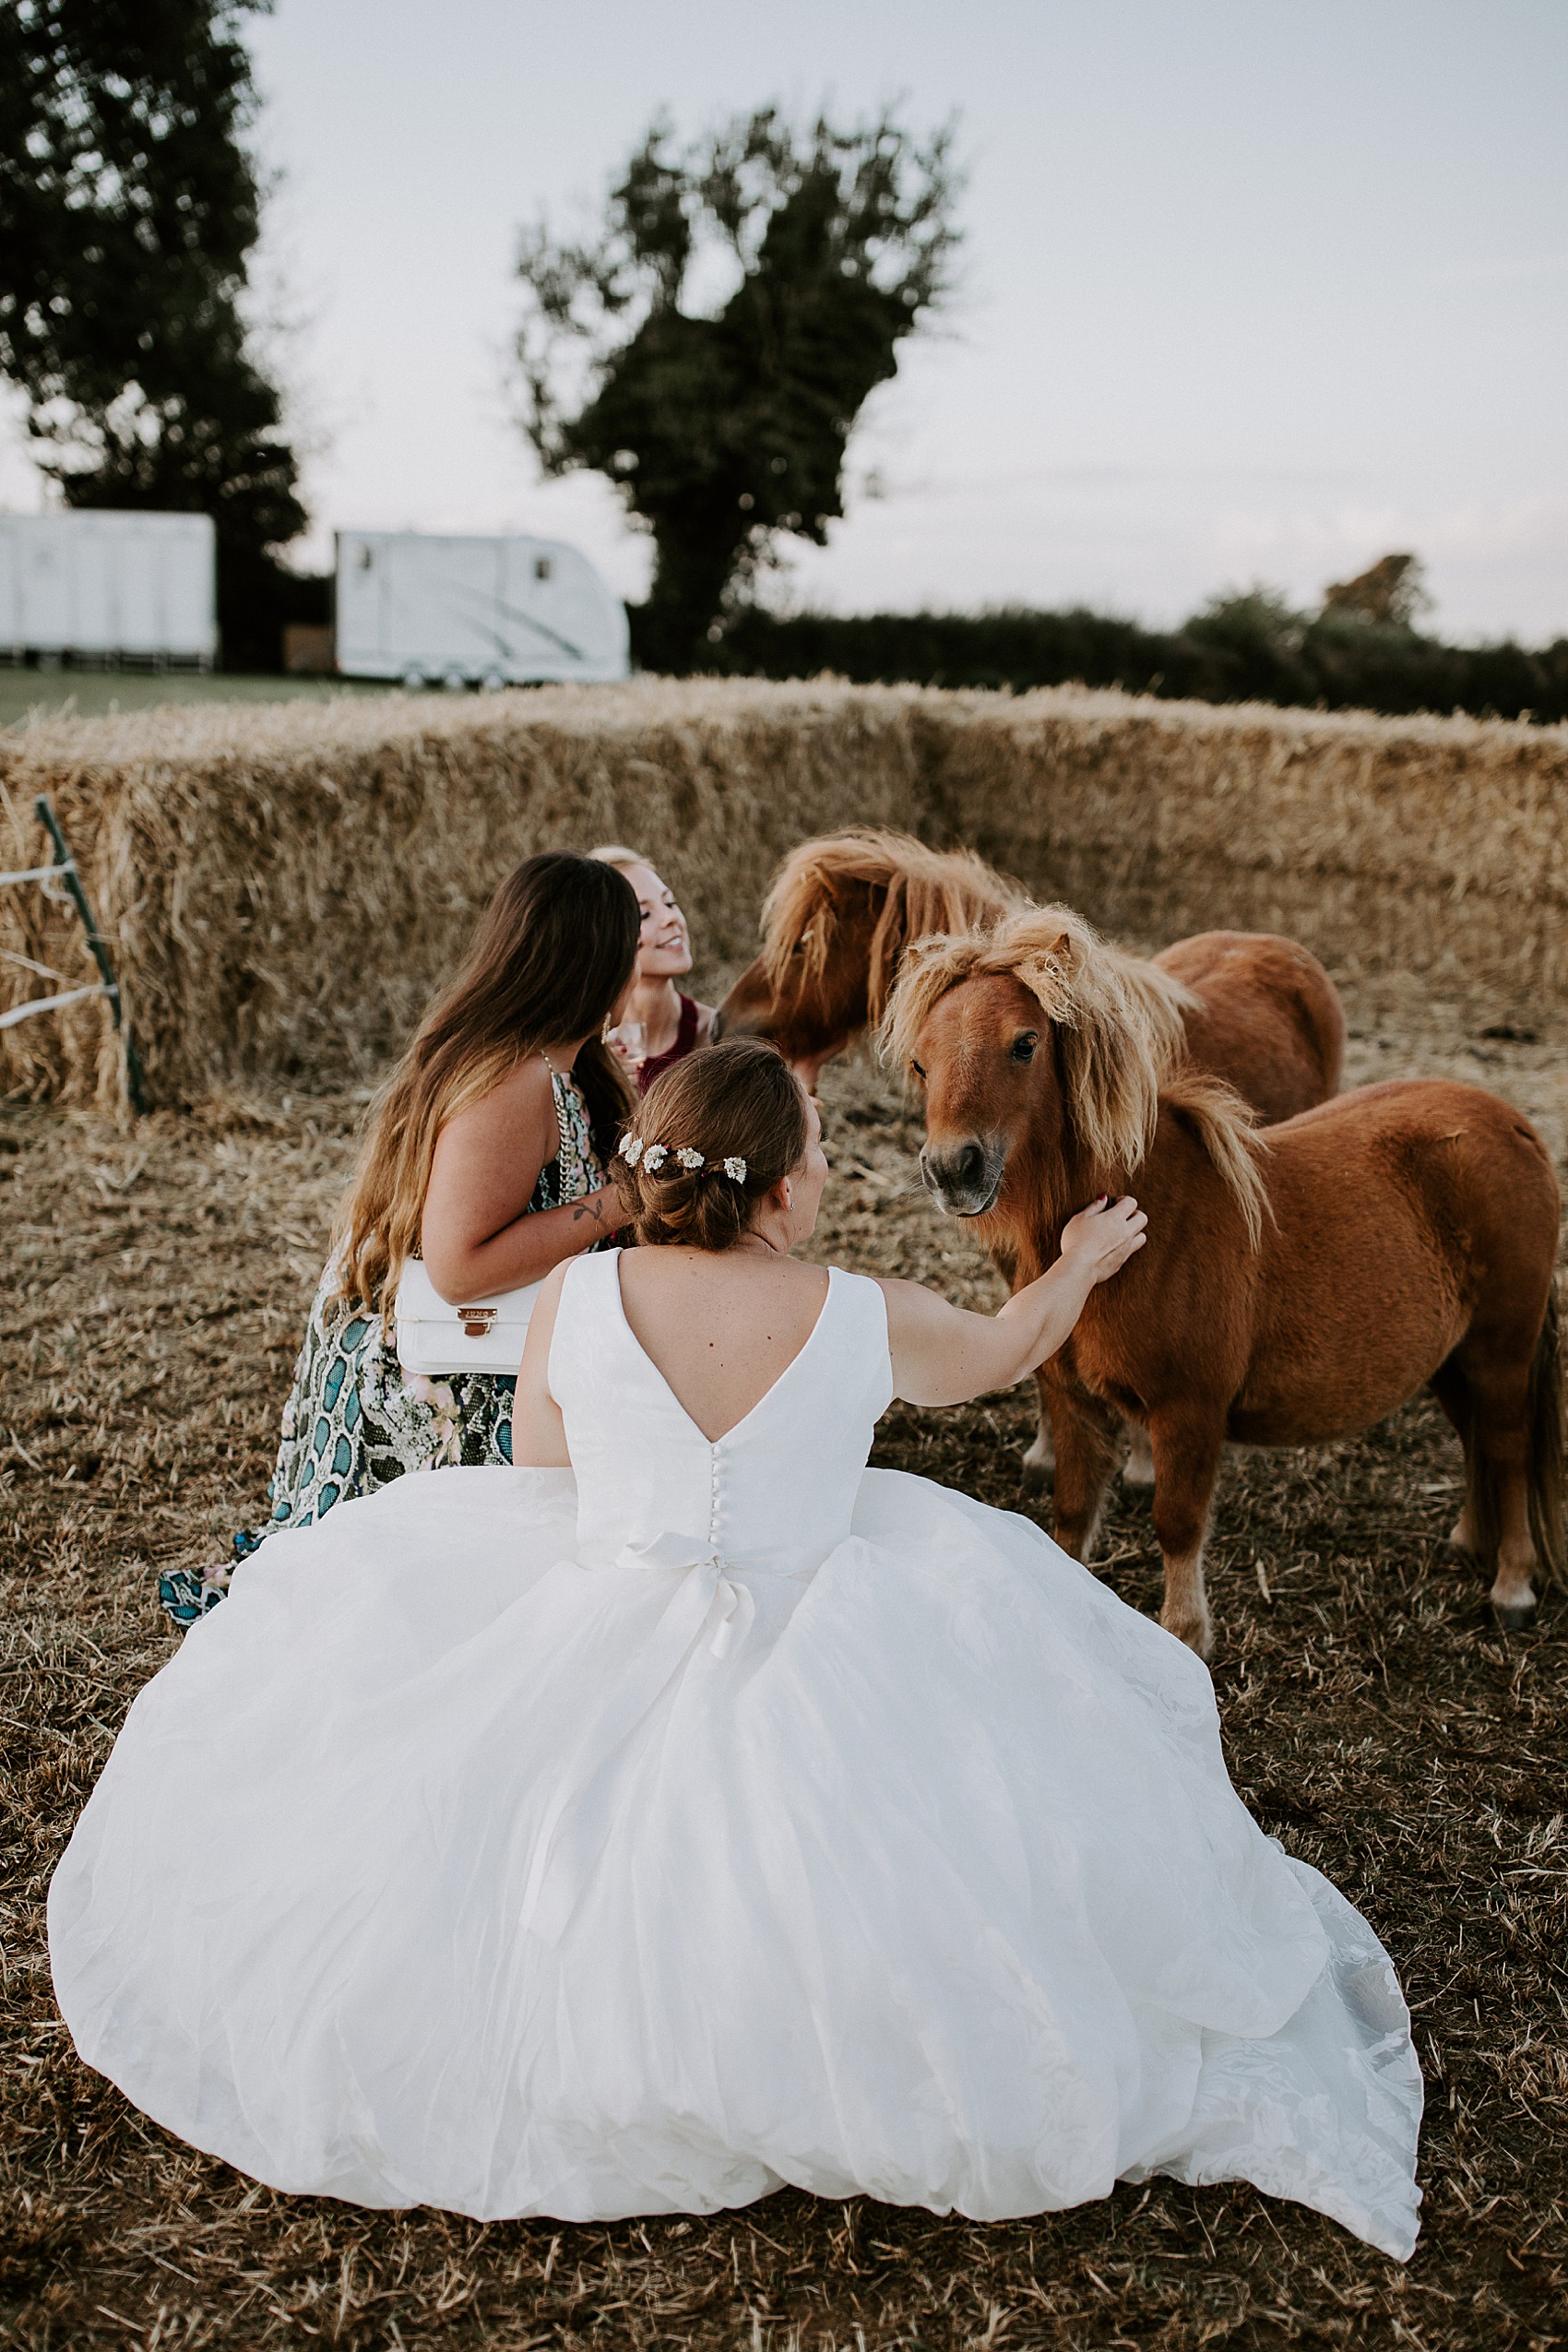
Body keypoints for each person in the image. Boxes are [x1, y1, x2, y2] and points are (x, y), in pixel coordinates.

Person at [53, 1040, 1422, 2256]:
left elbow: (540, 1462)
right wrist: (1075, 1264)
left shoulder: (581, 1300)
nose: (827, 1178)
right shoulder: (860, 1310)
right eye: (819, 1157)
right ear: (775, 1186)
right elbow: (1008, 1351)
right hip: (831, 1622)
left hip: (603, 1594)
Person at [157, 851, 638, 1626]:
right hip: (436, 1375)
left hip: (483, 1347)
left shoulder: (555, 1067)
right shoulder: (513, 1084)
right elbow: (457, 1266)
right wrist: (618, 1205)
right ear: (599, 963)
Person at [589, 844, 714, 1091]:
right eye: (645, 915)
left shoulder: (715, 1033)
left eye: (670, 903)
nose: (672, 918)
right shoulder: (586, 1052)